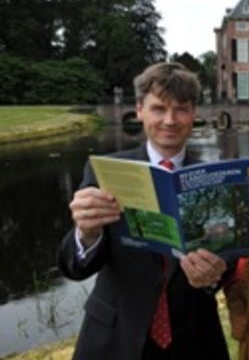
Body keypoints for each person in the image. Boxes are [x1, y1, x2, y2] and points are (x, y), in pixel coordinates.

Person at [57, 62, 232, 360]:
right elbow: (76, 268)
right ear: (139, 110)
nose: (170, 120)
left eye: (181, 109)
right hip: (114, 338)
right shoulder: (104, 171)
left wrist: (217, 273)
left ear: (194, 114)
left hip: (196, 341)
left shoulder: (216, 178)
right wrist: (86, 234)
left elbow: (230, 254)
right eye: (159, 109)